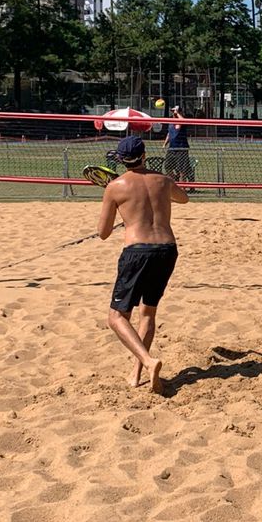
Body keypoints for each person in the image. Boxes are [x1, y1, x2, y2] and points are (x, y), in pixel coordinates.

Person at [99, 134, 189, 393]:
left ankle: (148, 362)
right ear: (145, 154)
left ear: (120, 159)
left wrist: (119, 207)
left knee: (116, 317)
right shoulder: (163, 180)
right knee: (147, 314)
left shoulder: (116, 186)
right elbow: (184, 199)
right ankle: (137, 374)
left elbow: (103, 233)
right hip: (167, 250)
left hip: (138, 251)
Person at [164, 107, 192, 184]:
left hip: (182, 148)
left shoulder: (182, 121)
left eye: (175, 111)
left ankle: (182, 187)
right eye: (173, 111)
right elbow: (169, 133)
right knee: (167, 166)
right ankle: (175, 179)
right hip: (172, 148)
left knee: (182, 170)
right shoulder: (171, 122)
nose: (174, 113)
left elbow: (183, 121)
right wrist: (165, 143)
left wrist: (178, 113)